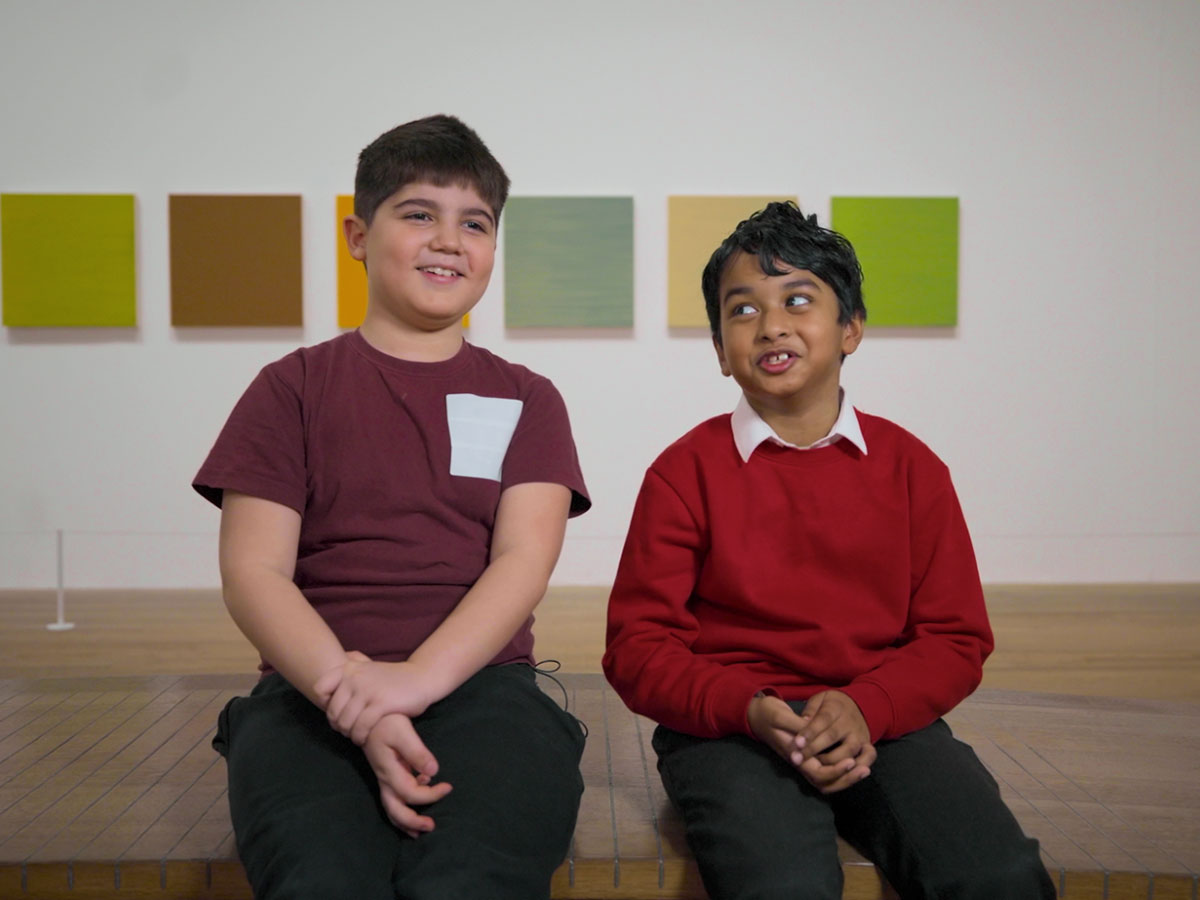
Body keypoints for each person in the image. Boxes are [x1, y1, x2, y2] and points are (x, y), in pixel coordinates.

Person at [602, 202, 1055, 899]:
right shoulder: (682, 473)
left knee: (996, 876)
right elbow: (636, 646)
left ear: (850, 329)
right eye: (742, 310)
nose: (772, 324)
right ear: (721, 351)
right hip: (730, 729)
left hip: (886, 721)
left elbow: (955, 637)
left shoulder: (914, 470)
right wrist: (744, 706)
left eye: (800, 299)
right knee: (781, 884)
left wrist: (867, 707)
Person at [193, 114, 590, 900]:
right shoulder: (291, 387)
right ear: (358, 235)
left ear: (492, 249)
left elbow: (523, 561)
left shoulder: (528, 398)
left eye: (473, 223)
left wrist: (415, 682)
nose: (449, 240)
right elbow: (253, 571)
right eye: (419, 214)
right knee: (319, 877)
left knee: (475, 880)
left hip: (488, 693)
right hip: (311, 692)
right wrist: (360, 702)